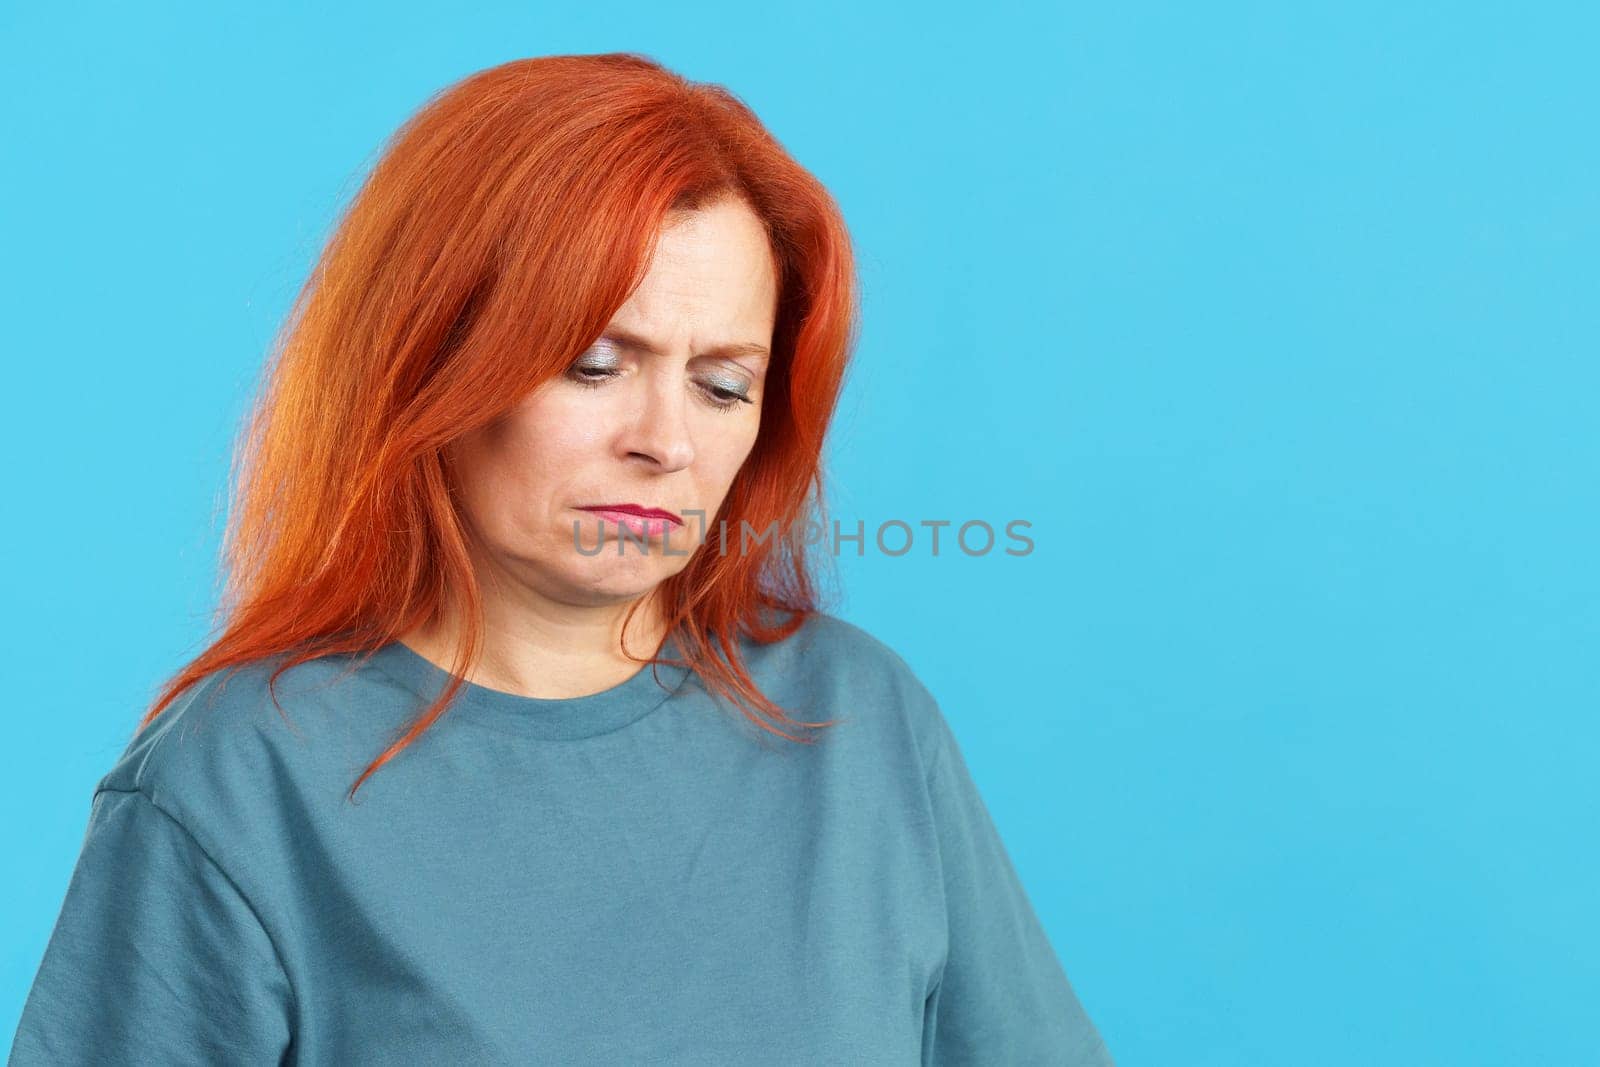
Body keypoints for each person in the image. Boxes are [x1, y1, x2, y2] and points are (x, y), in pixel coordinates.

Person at [8, 53, 1114, 1065]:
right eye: (594, 363)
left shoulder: (857, 716)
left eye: (722, 383)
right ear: (431, 358)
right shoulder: (242, 779)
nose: (665, 440)